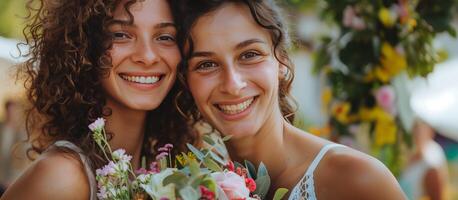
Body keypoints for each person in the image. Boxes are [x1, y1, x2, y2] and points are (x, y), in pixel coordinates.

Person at [171, 0, 407, 199]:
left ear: (282, 62)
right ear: (186, 81)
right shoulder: (190, 186)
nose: (233, 85)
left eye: (249, 55)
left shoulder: (357, 179)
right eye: (207, 64)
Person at [1, 0, 196, 199]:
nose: (147, 56)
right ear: (84, 46)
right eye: (121, 35)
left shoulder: (164, 170)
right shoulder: (63, 177)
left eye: (165, 37)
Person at [400, 119, 448, 200]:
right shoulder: (408, 155)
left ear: (430, 132)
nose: (416, 135)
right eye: (415, 130)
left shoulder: (431, 159)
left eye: (419, 131)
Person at [0, 100, 28, 191]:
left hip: (15, 178)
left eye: (13, 111)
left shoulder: (23, 131)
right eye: (9, 111)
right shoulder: (2, 128)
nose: (11, 114)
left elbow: (23, 156)